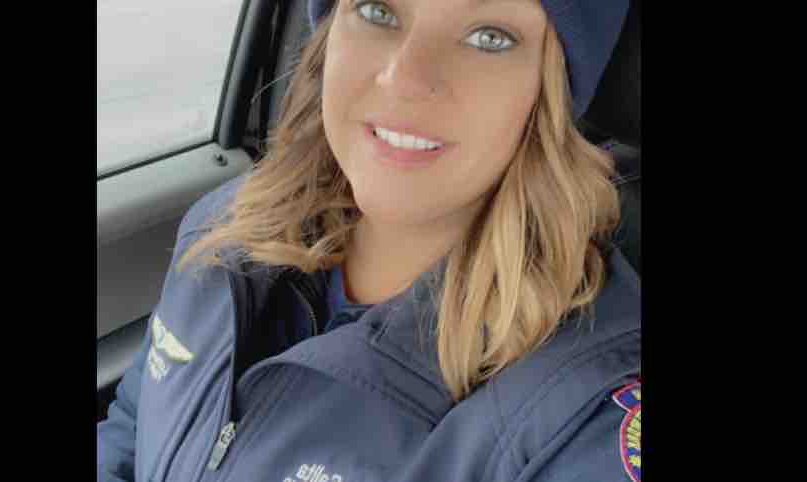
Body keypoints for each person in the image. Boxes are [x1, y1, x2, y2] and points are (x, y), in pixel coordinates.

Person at [97, 0, 641, 481]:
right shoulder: (224, 230)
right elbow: (133, 429)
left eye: (489, 37)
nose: (404, 77)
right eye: (378, 11)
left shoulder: (583, 414)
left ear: (549, 92)